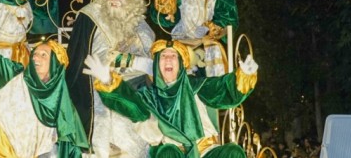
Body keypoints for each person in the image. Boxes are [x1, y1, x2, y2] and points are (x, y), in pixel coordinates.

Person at [83, 39, 258, 158]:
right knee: (167, 153)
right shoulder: (149, 96)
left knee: (233, 152)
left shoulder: (197, 86)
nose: (168, 60)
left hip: (205, 151)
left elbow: (224, 91)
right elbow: (132, 106)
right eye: (163, 57)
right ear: (157, 64)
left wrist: (244, 76)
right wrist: (109, 82)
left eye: (173, 56)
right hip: (171, 151)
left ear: (181, 65)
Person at [65, 0, 155, 157]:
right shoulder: (91, 14)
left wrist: (134, 63)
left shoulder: (141, 26)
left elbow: (151, 62)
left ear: (132, 0)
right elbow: (79, 58)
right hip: (95, 88)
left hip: (133, 92)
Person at [0, 36, 89, 157]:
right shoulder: (15, 76)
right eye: (35, 54)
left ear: (55, 65)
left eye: (43, 55)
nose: (35, 58)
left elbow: (69, 146)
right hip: (0, 151)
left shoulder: (62, 104)